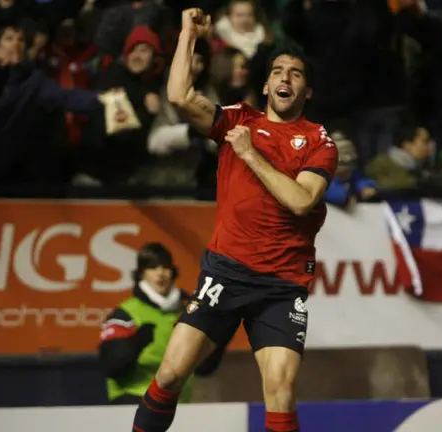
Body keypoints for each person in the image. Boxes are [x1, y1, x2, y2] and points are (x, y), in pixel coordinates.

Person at [130, 8, 338, 432]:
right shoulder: (240, 120)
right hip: (227, 270)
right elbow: (178, 97)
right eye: (277, 71)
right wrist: (187, 33)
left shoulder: (319, 142)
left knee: (280, 391)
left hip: (282, 285)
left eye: (295, 74)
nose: (285, 78)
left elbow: (300, 200)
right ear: (265, 85)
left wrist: (248, 154)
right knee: (170, 374)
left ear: (308, 90)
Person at [99, 243, 223, 404]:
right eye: (152, 267)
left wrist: (218, 337)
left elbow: (204, 368)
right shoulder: (125, 313)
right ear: (142, 273)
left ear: (172, 272)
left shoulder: (189, 311)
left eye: (165, 267)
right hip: (132, 401)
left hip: (179, 404)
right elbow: (111, 367)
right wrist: (136, 342)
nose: (160, 273)